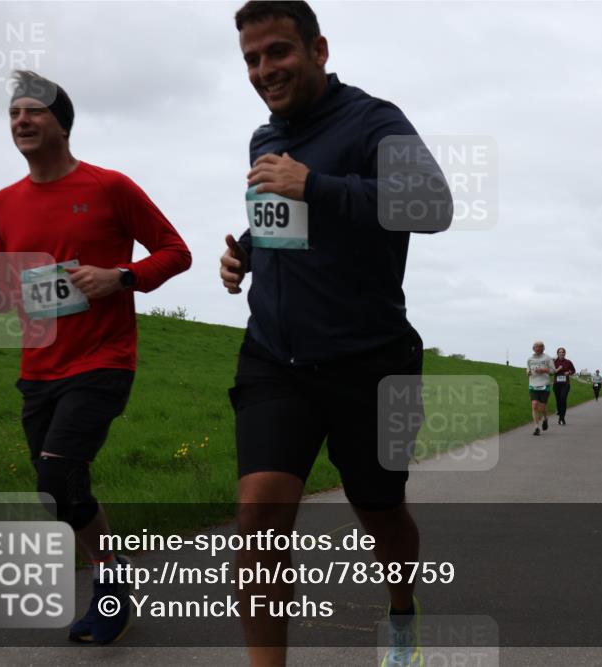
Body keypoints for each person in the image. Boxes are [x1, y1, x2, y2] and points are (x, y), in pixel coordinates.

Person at [219, 3, 451, 666]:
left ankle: (402, 608)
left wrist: (316, 183)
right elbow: (283, 229)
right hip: (276, 358)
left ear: (318, 48)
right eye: (252, 59)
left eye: (277, 52)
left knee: (379, 509)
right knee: (259, 517)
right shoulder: (264, 140)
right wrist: (247, 256)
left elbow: (433, 206)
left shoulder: (374, 120)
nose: (264, 70)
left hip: (371, 360)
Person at [0, 70, 192, 644]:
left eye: (33, 111)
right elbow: (3, 299)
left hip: (103, 359)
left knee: (59, 471)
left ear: (61, 122)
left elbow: (176, 252)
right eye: (14, 113)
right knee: (58, 492)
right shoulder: (3, 202)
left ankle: (108, 589)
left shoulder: (111, 187)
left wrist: (120, 277)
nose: (21, 121)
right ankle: (114, 577)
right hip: (38, 367)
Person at [526, 341, 556, 435]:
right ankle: (536, 427)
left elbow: (553, 371)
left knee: (542, 407)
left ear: (543, 348)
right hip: (533, 384)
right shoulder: (530, 359)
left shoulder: (547, 358)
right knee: (534, 405)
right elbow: (527, 369)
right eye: (536, 347)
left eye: (540, 347)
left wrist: (543, 370)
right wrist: (528, 372)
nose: (537, 349)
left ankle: (545, 418)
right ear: (533, 348)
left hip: (544, 385)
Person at [552, 347, 576, 425]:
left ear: (565, 353)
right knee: (558, 400)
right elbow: (551, 372)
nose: (561, 353)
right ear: (557, 353)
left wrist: (569, 372)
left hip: (565, 384)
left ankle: (562, 418)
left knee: (563, 399)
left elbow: (573, 370)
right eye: (560, 352)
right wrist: (558, 369)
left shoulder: (568, 362)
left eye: (563, 352)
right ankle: (559, 412)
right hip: (556, 384)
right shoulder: (554, 362)